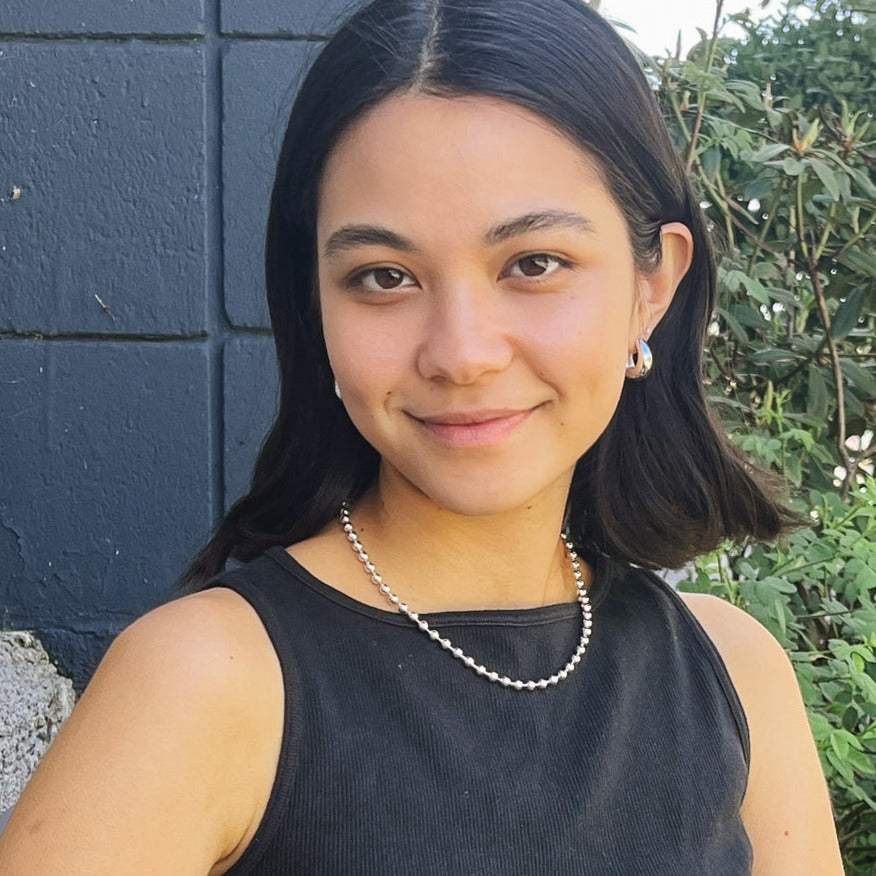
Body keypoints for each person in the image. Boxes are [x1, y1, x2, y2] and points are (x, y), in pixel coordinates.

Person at [0, 0, 844, 873]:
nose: (461, 354)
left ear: (651, 286)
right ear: (316, 305)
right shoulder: (207, 681)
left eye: (534, 264)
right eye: (384, 277)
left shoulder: (733, 674)